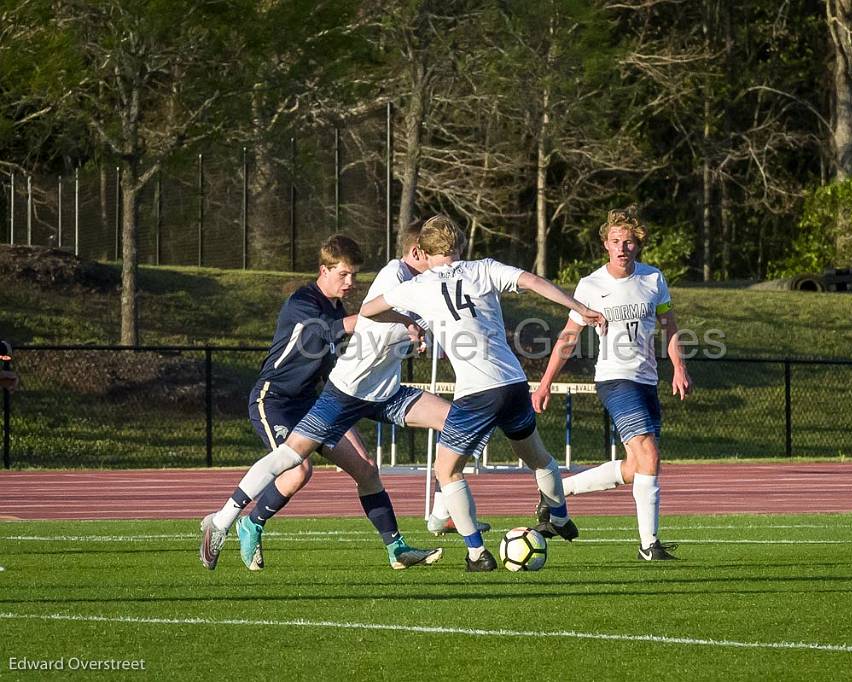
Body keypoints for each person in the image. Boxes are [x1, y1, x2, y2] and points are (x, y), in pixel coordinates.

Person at [360, 214, 606, 571]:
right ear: (460, 246)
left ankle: (477, 553)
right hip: (513, 384)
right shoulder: (483, 268)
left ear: (424, 253)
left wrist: (409, 323)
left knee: (447, 471)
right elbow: (533, 281)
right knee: (537, 457)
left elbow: (369, 311)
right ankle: (561, 516)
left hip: (477, 393)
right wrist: (579, 308)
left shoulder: (419, 285)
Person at [205, 233, 442, 571]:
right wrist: (395, 317)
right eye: (343, 274)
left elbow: (353, 346)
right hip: (274, 399)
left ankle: (396, 548)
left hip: (314, 400)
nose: (351, 282)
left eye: (355, 275)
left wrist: (405, 338)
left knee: (366, 470)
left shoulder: (338, 307)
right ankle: (238, 521)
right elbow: (336, 328)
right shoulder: (303, 301)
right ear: (324, 270)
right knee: (298, 468)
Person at [532, 207, 692, 561]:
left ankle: (559, 490)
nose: (622, 247)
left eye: (629, 241)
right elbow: (568, 337)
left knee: (637, 466)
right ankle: (649, 545)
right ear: (605, 244)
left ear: (639, 245)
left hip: (646, 381)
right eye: (616, 241)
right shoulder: (590, 285)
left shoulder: (653, 279)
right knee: (650, 454)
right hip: (614, 380)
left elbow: (669, 327)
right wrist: (544, 384)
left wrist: (678, 367)